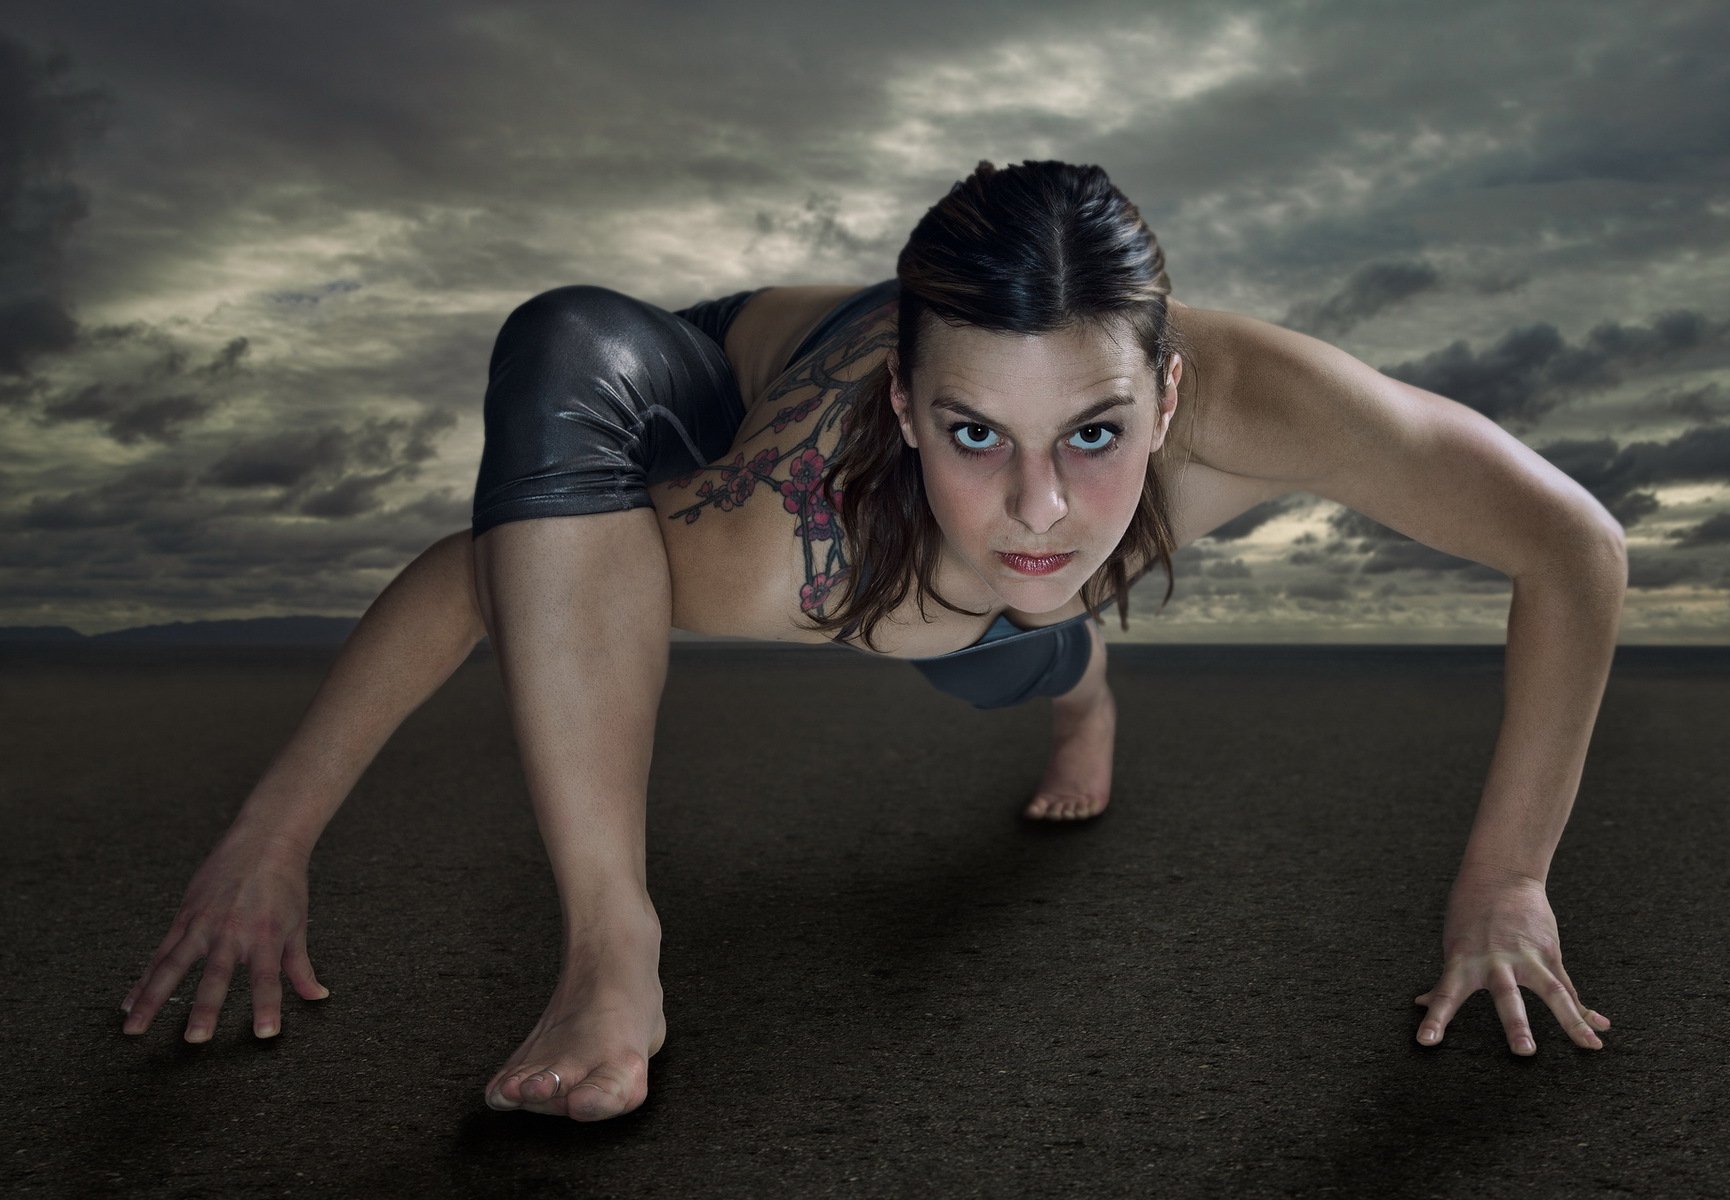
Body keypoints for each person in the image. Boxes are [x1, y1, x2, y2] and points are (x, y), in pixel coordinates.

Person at [117, 159, 1621, 1122]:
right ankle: (612, 947)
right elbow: (481, 577)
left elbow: (1576, 546)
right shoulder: (788, 534)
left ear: (1166, 400)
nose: (1039, 498)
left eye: (1093, 433)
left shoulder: (1277, 407)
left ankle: (1081, 696)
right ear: (908, 409)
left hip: (964, 583)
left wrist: (1507, 881)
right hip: (698, 375)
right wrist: (273, 833)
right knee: (565, 342)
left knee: (1027, 630)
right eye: (977, 431)